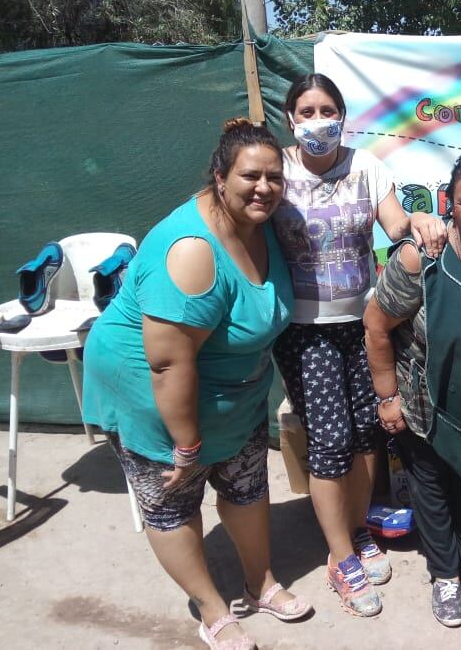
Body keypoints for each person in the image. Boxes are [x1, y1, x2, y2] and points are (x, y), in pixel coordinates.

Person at [83, 118, 310, 650]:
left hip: (233, 385)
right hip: (152, 389)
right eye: (250, 176)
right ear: (219, 176)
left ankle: (261, 583)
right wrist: (185, 445)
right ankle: (212, 611)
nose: (264, 187)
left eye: (275, 177)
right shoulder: (192, 250)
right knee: (173, 502)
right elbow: (168, 364)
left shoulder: (266, 223)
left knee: (247, 483)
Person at [270, 73, 446, 617]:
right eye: (307, 110)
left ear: (342, 116)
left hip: (362, 322)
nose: (318, 120)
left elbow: (394, 224)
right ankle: (341, 557)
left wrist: (417, 219)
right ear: (291, 118)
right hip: (302, 328)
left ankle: (358, 523)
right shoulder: (276, 171)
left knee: (370, 430)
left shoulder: (368, 165)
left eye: (328, 109)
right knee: (329, 439)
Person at [363, 150, 461, 628]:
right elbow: (376, 328)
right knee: (430, 486)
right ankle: (444, 574)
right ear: (450, 203)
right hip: (422, 401)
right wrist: (388, 398)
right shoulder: (421, 256)